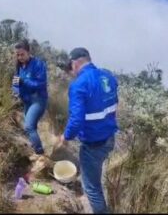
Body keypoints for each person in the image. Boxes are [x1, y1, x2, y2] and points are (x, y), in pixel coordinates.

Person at [58, 47, 119, 214]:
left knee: (91, 188)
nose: (71, 72)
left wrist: (66, 136)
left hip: (94, 144)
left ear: (75, 63)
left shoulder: (79, 85)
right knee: (96, 175)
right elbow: (113, 103)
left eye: (70, 67)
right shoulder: (108, 76)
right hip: (109, 138)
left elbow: (76, 120)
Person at [12, 39, 48, 157]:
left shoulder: (38, 64)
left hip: (38, 100)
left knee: (29, 127)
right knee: (30, 127)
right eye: (18, 55)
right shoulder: (19, 66)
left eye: (22, 54)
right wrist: (16, 91)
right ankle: (36, 147)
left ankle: (40, 154)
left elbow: (41, 84)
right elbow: (16, 83)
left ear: (28, 52)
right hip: (26, 100)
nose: (20, 57)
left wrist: (24, 81)